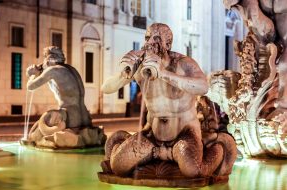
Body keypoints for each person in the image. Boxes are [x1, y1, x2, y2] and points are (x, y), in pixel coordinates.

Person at [101, 23, 236, 178]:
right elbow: (106, 88)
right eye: (147, 37)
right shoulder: (140, 65)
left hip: (184, 134)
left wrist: (163, 73)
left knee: (193, 171)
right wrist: (124, 74)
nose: (150, 42)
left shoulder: (183, 63)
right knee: (118, 166)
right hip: (152, 135)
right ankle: (142, 148)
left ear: (168, 44)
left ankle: (217, 149)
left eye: (156, 38)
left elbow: (203, 86)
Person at [26, 46, 92, 129]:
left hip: (70, 117)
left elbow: (30, 86)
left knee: (39, 128)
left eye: (44, 58)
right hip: (85, 117)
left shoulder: (53, 70)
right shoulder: (71, 69)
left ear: (49, 59)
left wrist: (33, 74)